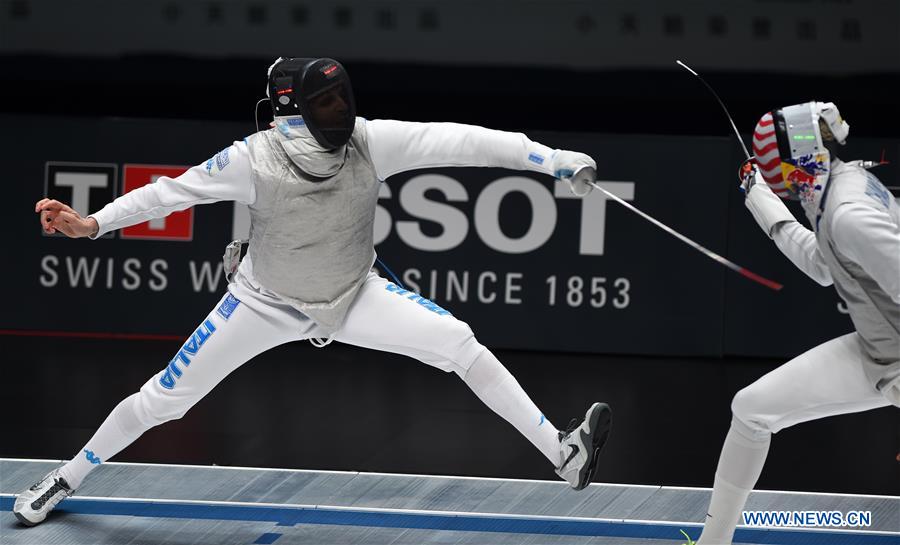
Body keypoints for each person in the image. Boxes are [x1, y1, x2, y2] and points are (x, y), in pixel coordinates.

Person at [14, 57, 612, 526]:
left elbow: (464, 141)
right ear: (292, 108)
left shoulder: (372, 142)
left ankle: (563, 454)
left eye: (340, 99)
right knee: (163, 401)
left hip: (354, 295)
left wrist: (553, 160)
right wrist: (94, 223)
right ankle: (67, 475)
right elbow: (169, 192)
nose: (338, 112)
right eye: (322, 102)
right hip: (262, 303)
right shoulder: (252, 159)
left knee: (458, 342)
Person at [694, 102, 899, 545]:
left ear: (796, 164)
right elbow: (824, 266)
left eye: (777, 174)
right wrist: (760, 199)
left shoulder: (847, 213)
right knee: (751, 409)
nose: (780, 183)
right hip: (876, 350)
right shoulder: (837, 188)